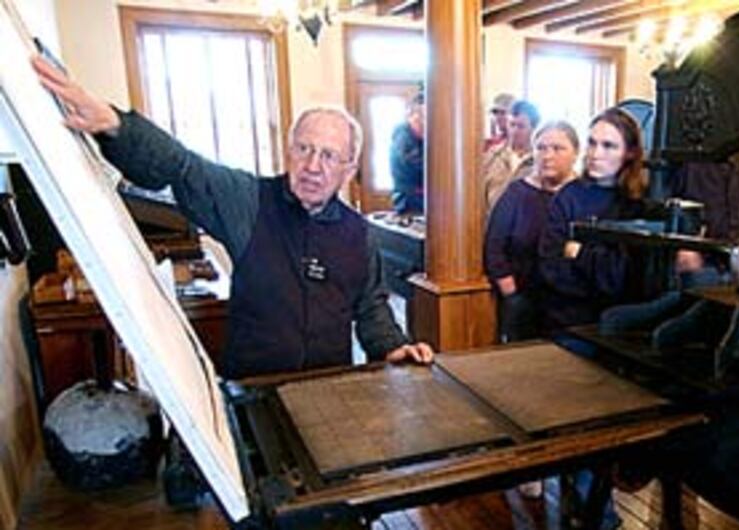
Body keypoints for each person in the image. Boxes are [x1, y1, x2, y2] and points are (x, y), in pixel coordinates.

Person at [31, 56, 435, 380]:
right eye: (304, 149)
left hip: (330, 392)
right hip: (254, 392)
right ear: (289, 152)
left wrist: (394, 346)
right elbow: (184, 166)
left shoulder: (358, 234)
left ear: (349, 168)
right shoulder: (249, 200)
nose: (313, 166)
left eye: (328, 155)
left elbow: (372, 309)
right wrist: (116, 124)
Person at [538, 107, 648, 334]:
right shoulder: (567, 197)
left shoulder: (641, 204)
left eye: (608, 146)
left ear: (629, 152)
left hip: (624, 324)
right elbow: (551, 269)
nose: (596, 153)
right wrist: (602, 264)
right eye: (592, 143)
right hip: (568, 321)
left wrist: (579, 253)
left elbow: (626, 279)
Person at [484, 121, 579, 343]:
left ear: (575, 153)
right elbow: (494, 245)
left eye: (557, 148)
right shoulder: (517, 193)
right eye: (541, 148)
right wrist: (511, 294)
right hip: (524, 298)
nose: (547, 155)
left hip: (570, 301)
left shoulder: (582, 195)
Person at [482, 100, 541, 215]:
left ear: (534, 128)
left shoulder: (540, 161)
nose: (514, 131)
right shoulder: (492, 156)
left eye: (521, 126)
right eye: (512, 125)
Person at [390, 91, 425, 215]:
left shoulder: (420, 140)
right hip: (409, 204)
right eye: (420, 117)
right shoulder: (403, 138)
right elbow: (420, 168)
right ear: (410, 115)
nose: (424, 124)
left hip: (417, 202)